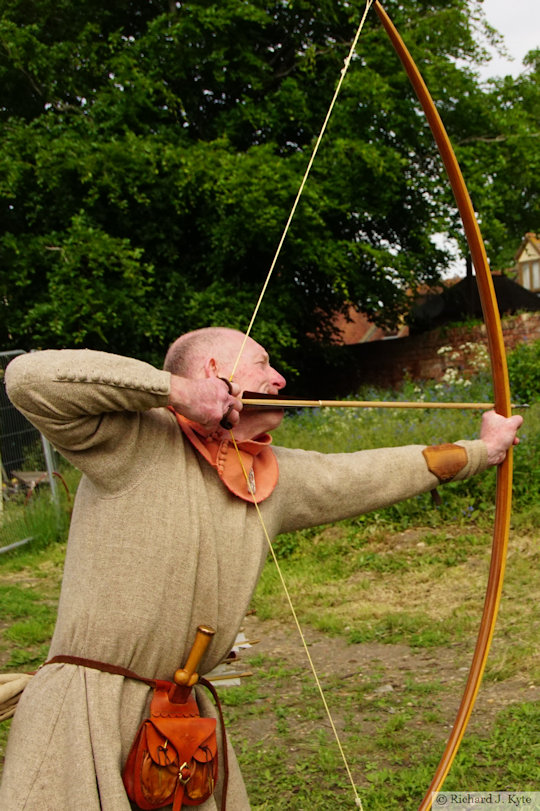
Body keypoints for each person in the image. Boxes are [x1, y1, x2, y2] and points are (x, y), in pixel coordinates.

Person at [0, 327, 522, 810]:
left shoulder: (274, 476)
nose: (279, 380)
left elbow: (373, 473)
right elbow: (29, 378)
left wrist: (483, 450)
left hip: (182, 724)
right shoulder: (128, 439)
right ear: (211, 371)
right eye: (263, 364)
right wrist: (177, 392)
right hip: (83, 716)